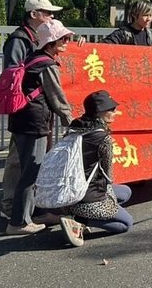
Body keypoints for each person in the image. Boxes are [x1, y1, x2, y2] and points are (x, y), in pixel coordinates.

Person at [5, 19, 75, 235]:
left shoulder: (33, 58)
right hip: (34, 122)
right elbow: (56, 96)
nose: (67, 41)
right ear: (52, 42)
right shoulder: (47, 64)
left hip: (20, 119)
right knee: (31, 172)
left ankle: (31, 215)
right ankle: (18, 223)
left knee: (30, 170)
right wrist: (70, 120)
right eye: (63, 38)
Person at [0, 0, 63, 222]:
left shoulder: (35, 37)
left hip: (33, 108)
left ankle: (27, 207)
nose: (51, 16)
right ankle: (11, 206)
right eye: (47, 12)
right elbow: (13, 73)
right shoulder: (19, 39)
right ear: (34, 14)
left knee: (31, 161)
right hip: (26, 109)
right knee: (20, 160)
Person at [59, 90, 134, 247]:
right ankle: (80, 221)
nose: (116, 112)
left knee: (126, 192)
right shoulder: (103, 138)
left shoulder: (75, 127)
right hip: (88, 195)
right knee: (126, 224)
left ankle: (78, 213)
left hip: (68, 192)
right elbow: (108, 175)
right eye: (112, 109)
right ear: (100, 112)